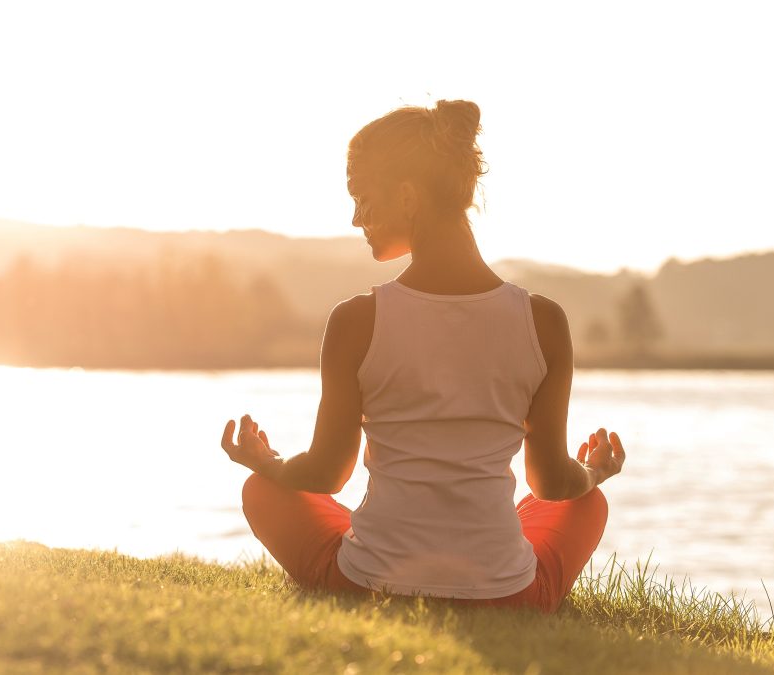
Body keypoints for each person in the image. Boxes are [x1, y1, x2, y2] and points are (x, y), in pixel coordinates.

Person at [219, 99, 626, 614]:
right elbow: (551, 483)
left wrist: (267, 462)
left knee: (264, 491)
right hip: (507, 596)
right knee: (585, 502)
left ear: (408, 197)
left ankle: (377, 544)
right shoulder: (543, 322)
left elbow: (325, 474)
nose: (355, 218)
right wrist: (594, 472)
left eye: (363, 199)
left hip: (366, 584)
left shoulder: (356, 321)